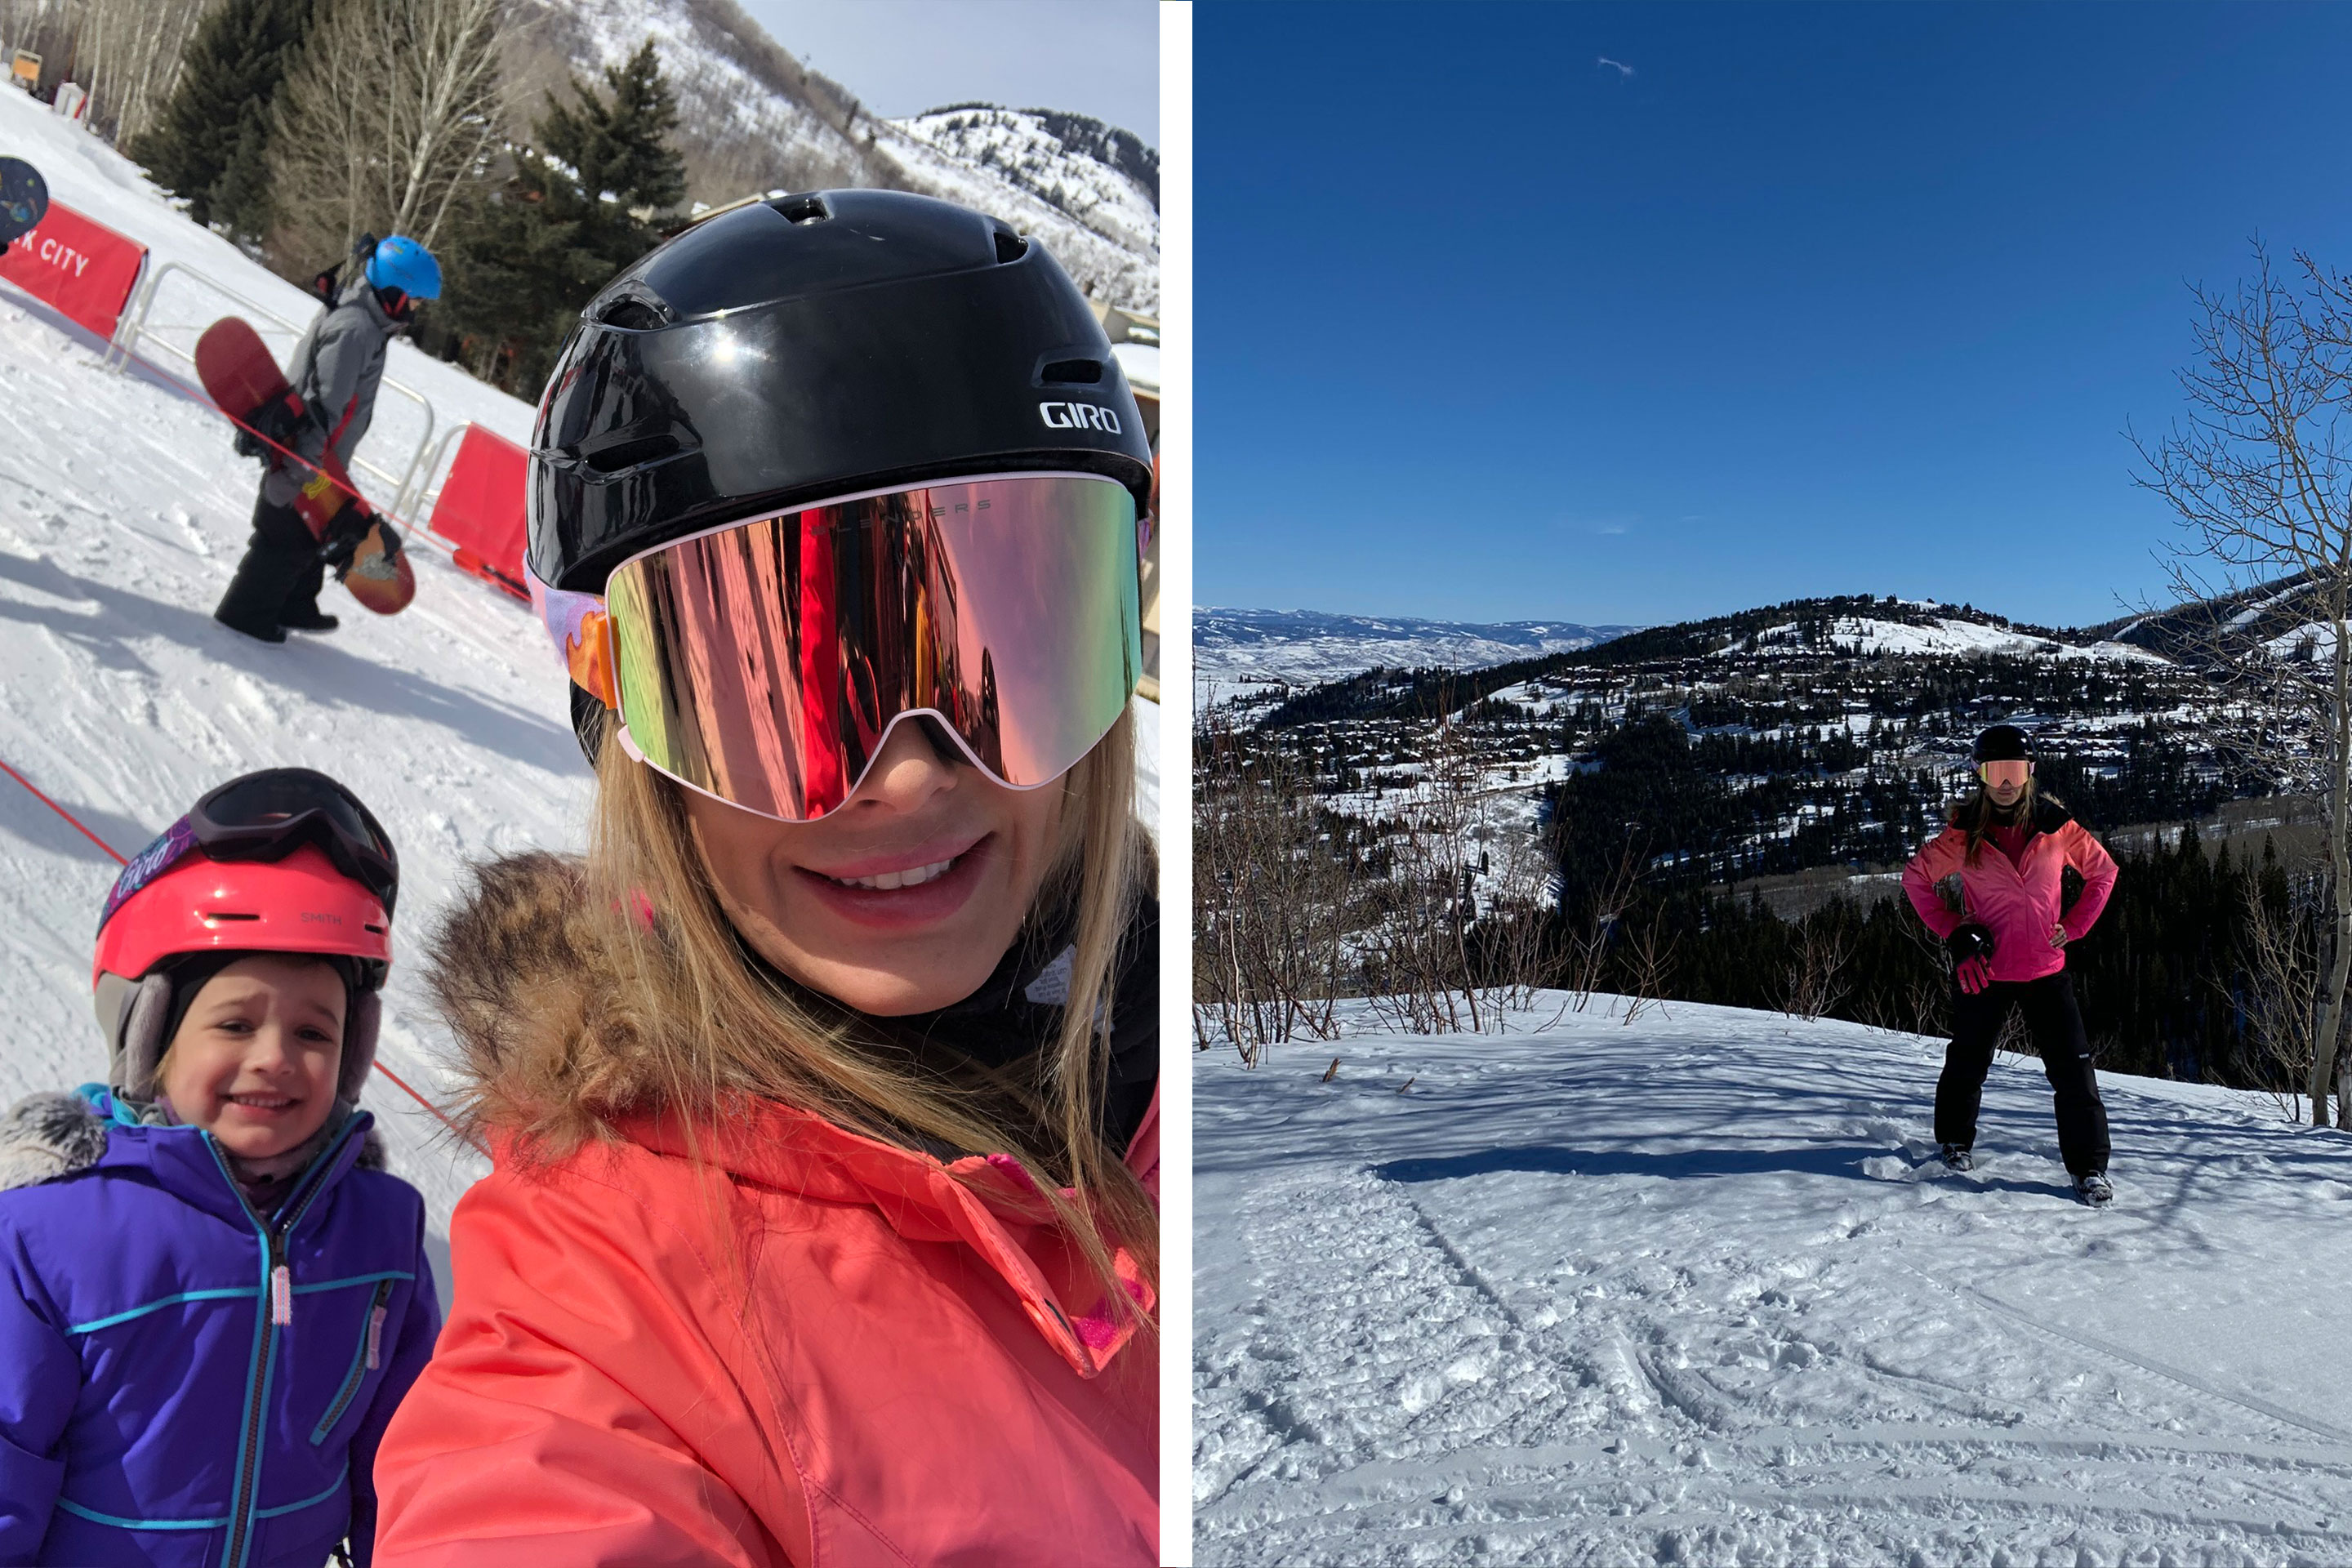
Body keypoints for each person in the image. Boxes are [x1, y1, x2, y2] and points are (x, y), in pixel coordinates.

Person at [372, 188, 1160, 1565]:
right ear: (627, 733)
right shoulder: (611, 1316)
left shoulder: (1186, 1060)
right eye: (776, 690)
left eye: (1007, 657)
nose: (909, 772)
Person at [0, 768, 440, 1566]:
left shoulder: (383, 1234)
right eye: (235, 1023)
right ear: (153, 1036)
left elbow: (412, 1468)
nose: (275, 1060)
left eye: (315, 1034)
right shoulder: (50, 1234)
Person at [1901, 724, 2120, 1205]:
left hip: (2046, 969)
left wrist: (2077, 924)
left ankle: (2089, 1170)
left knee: (2074, 1074)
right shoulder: (1964, 833)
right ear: (1981, 774)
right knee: (1967, 1062)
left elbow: (2103, 872)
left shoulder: (2056, 827)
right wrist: (1955, 930)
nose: (2005, 782)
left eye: (2014, 770)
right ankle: (1954, 1142)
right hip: (1987, 970)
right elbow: (1916, 879)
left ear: (2029, 773)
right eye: (1995, 770)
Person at [212, 235, 439, 644]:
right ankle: (245, 616)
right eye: (415, 300)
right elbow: (325, 404)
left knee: (317, 530)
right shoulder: (355, 330)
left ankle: (297, 604)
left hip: (320, 452)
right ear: (393, 292)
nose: (416, 311)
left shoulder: (367, 321)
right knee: (287, 534)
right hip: (306, 452)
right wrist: (306, 465)